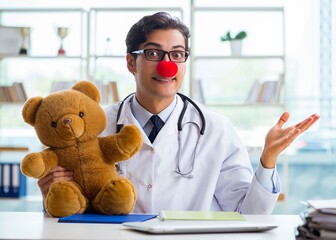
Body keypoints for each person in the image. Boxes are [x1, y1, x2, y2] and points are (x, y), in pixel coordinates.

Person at [37, 12, 319, 214]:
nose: (167, 65)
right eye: (153, 53)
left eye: (177, 54)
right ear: (131, 62)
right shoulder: (92, 127)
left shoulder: (216, 128)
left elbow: (249, 213)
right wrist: (49, 194)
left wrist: (268, 160)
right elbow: (68, 211)